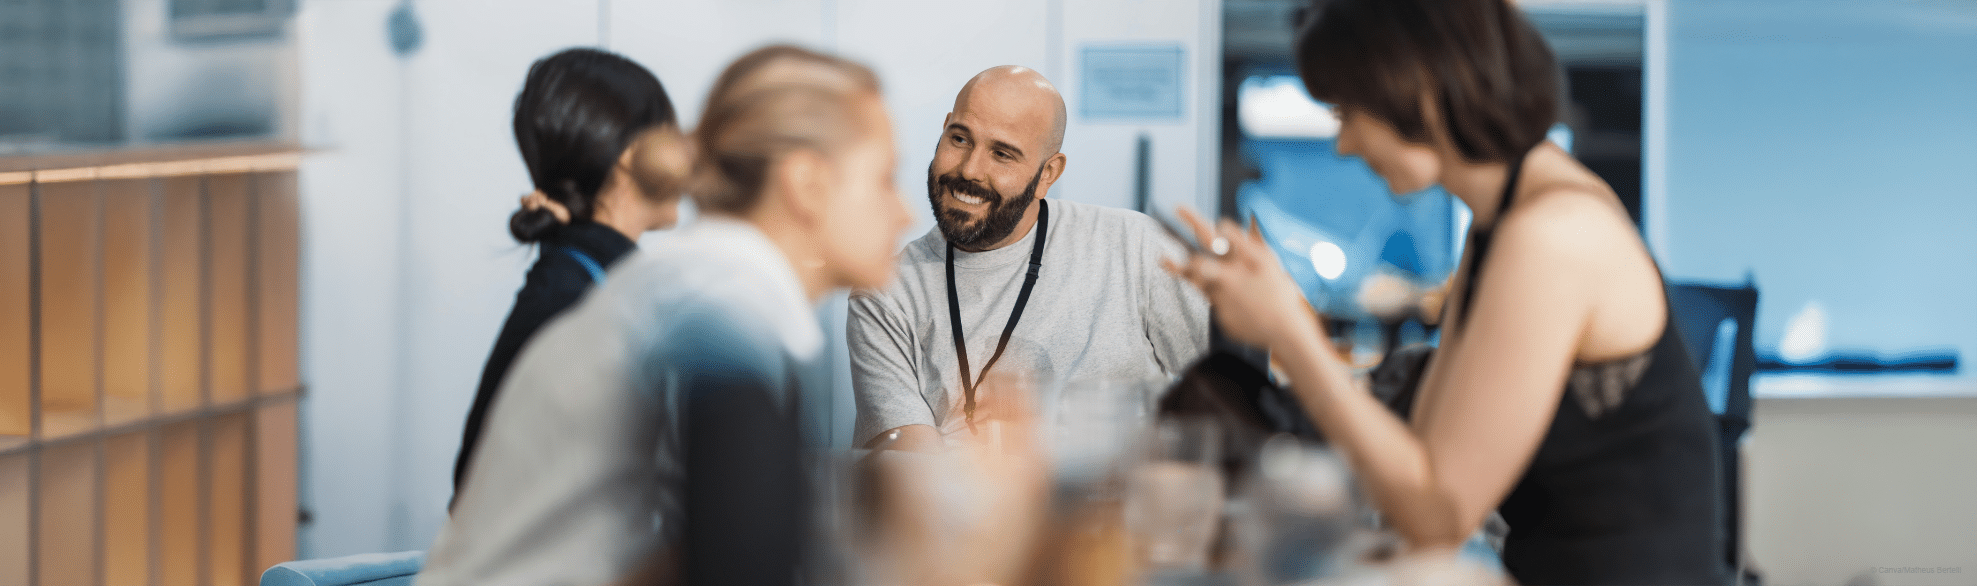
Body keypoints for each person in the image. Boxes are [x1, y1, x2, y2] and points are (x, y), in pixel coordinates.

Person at [1163, 0, 1729, 584]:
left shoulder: (1550, 236)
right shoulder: (1501, 222)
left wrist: (1290, 332)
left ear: (1422, 99)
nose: (1345, 145)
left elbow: (1437, 517)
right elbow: (1425, 462)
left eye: (1349, 114)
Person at [416, 45, 910, 586]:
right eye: (885, 178)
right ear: (807, 184)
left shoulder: (706, 283)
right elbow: (745, 568)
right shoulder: (721, 305)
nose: (904, 211)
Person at [850, 66, 1209, 451]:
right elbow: (911, 467)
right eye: (959, 139)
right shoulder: (884, 290)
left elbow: (1235, 392)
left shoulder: (1136, 246)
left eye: (1002, 154)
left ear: (1046, 175)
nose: (970, 170)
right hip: (966, 507)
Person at [452, 47, 690, 501]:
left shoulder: (586, 281)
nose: (689, 161)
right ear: (632, 154)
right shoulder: (580, 306)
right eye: (673, 139)